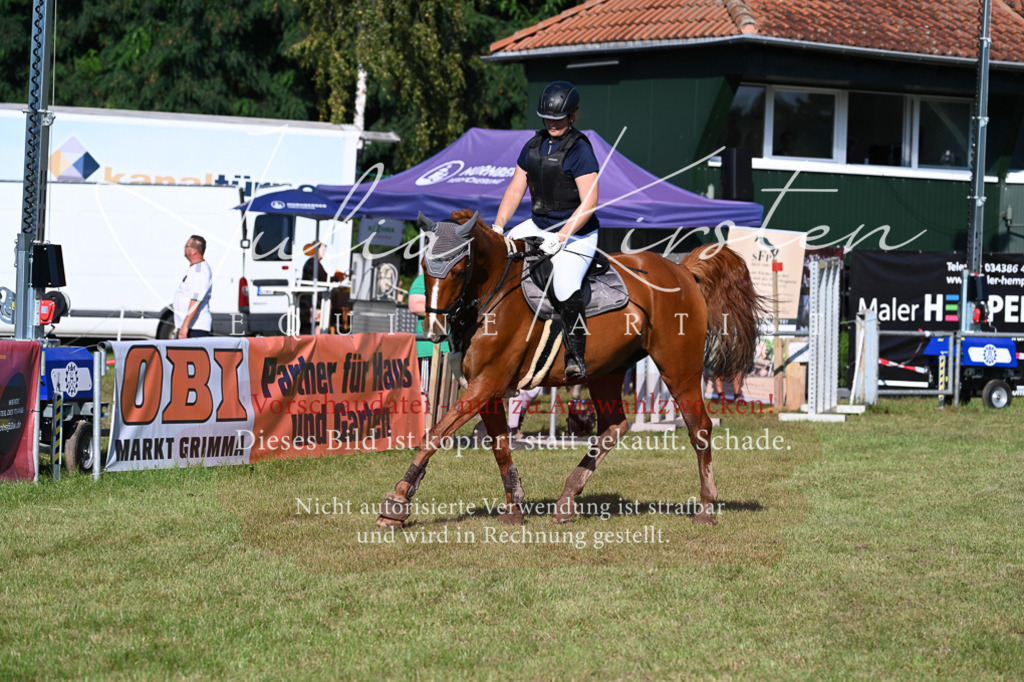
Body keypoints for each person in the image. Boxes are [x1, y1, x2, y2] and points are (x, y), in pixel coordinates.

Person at [493, 80, 600, 380]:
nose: (552, 123)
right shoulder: (533, 146)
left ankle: (576, 355)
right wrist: (499, 227)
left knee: (565, 284)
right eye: (548, 118)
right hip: (538, 224)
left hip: (577, 232)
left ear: (572, 117)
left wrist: (563, 236)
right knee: (498, 257)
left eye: (559, 118)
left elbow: (590, 202)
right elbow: (516, 189)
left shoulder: (580, 150)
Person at [173, 235, 212, 338]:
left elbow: (195, 301)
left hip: (195, 327)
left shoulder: (199, 271)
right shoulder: (194, 268)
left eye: (187, 246)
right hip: (190, 326)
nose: (184, 248)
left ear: (194, 251)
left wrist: (185, 327)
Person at [299, 241, 329, 335]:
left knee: (306, 325)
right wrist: (337, 277)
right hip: (312, 300)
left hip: (306, 299)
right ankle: (315, 342)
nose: (324, 253)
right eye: (323, 250)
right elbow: (324, 278)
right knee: (315, 323)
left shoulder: (310, 262)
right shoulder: (315, 263)